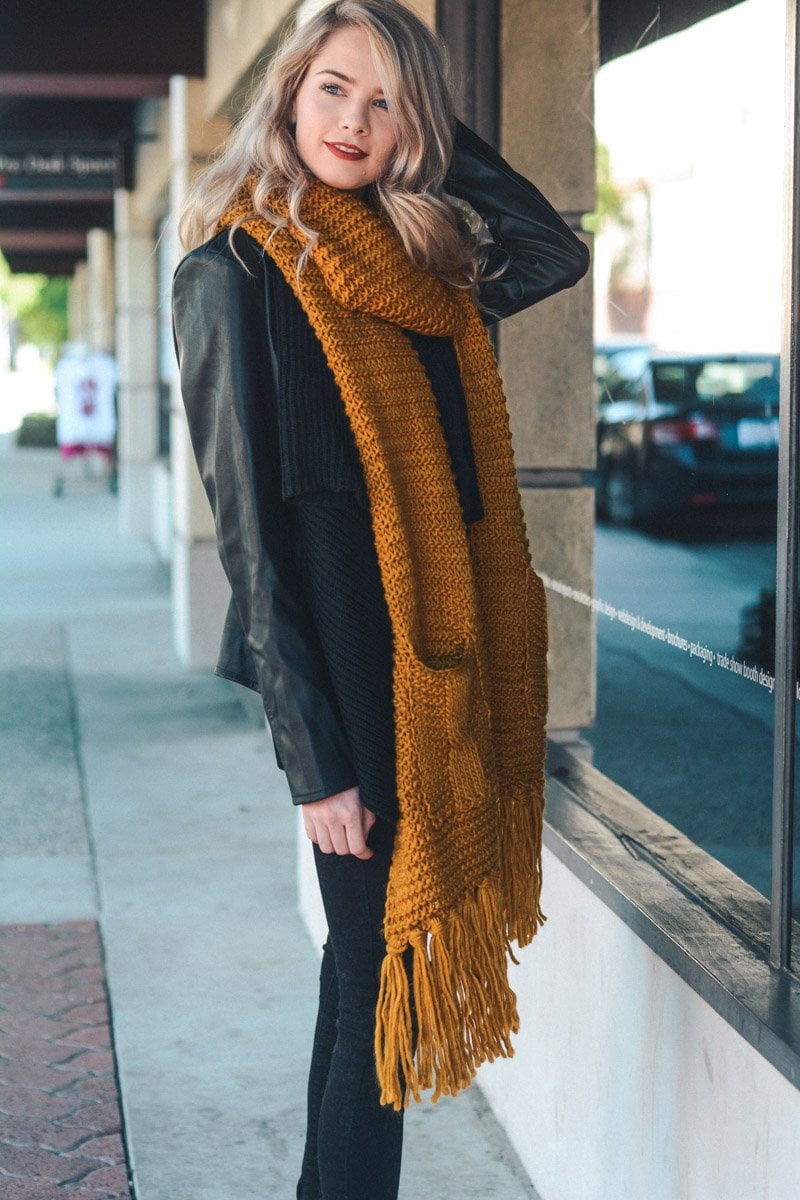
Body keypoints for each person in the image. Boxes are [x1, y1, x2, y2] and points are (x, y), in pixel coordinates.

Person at [172, 2, 589, 1197]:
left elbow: (549, 250)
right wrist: (313, 763)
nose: (353, 121)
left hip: (437, 664)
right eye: (333, 89)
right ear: (287, 95)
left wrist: (430, 130)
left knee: (357, 973)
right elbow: (253, 549)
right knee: (376, 980)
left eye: (384, 99)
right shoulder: (231, 276)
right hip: (350, 687)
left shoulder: (421, 272)